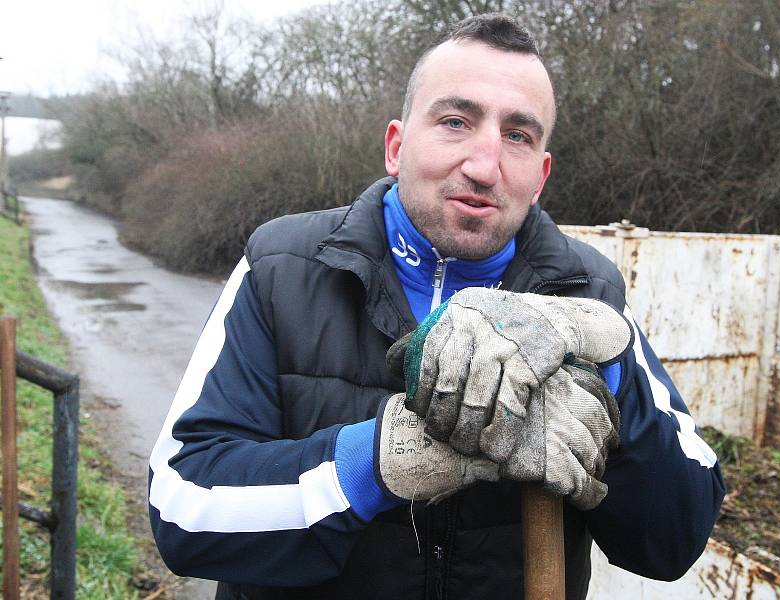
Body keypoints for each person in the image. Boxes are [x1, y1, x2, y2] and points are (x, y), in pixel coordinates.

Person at [148, 14, 725, 600]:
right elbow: (182, 512)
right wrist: (376, 464)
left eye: (519, 136)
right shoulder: (282, 268)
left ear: (541, 176)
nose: (484, 165)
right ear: (396, 146)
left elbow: (677, 538)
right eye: (455, 122)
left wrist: (604, 379)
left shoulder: (589, 294)